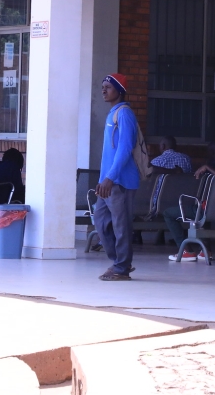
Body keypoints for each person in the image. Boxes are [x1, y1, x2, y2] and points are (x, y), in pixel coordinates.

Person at [95, 73, 139, 281]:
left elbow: (125, 149)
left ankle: (121, 267)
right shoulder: (112, 114)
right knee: (101, 222)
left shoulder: (124, 114)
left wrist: (110, 177)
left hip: (120, 181)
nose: (104, 90)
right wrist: (103, 178)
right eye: (103, 87)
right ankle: (120, 262)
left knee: (121, 226)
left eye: (108, 87)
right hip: (107, 181)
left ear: (119, 91)